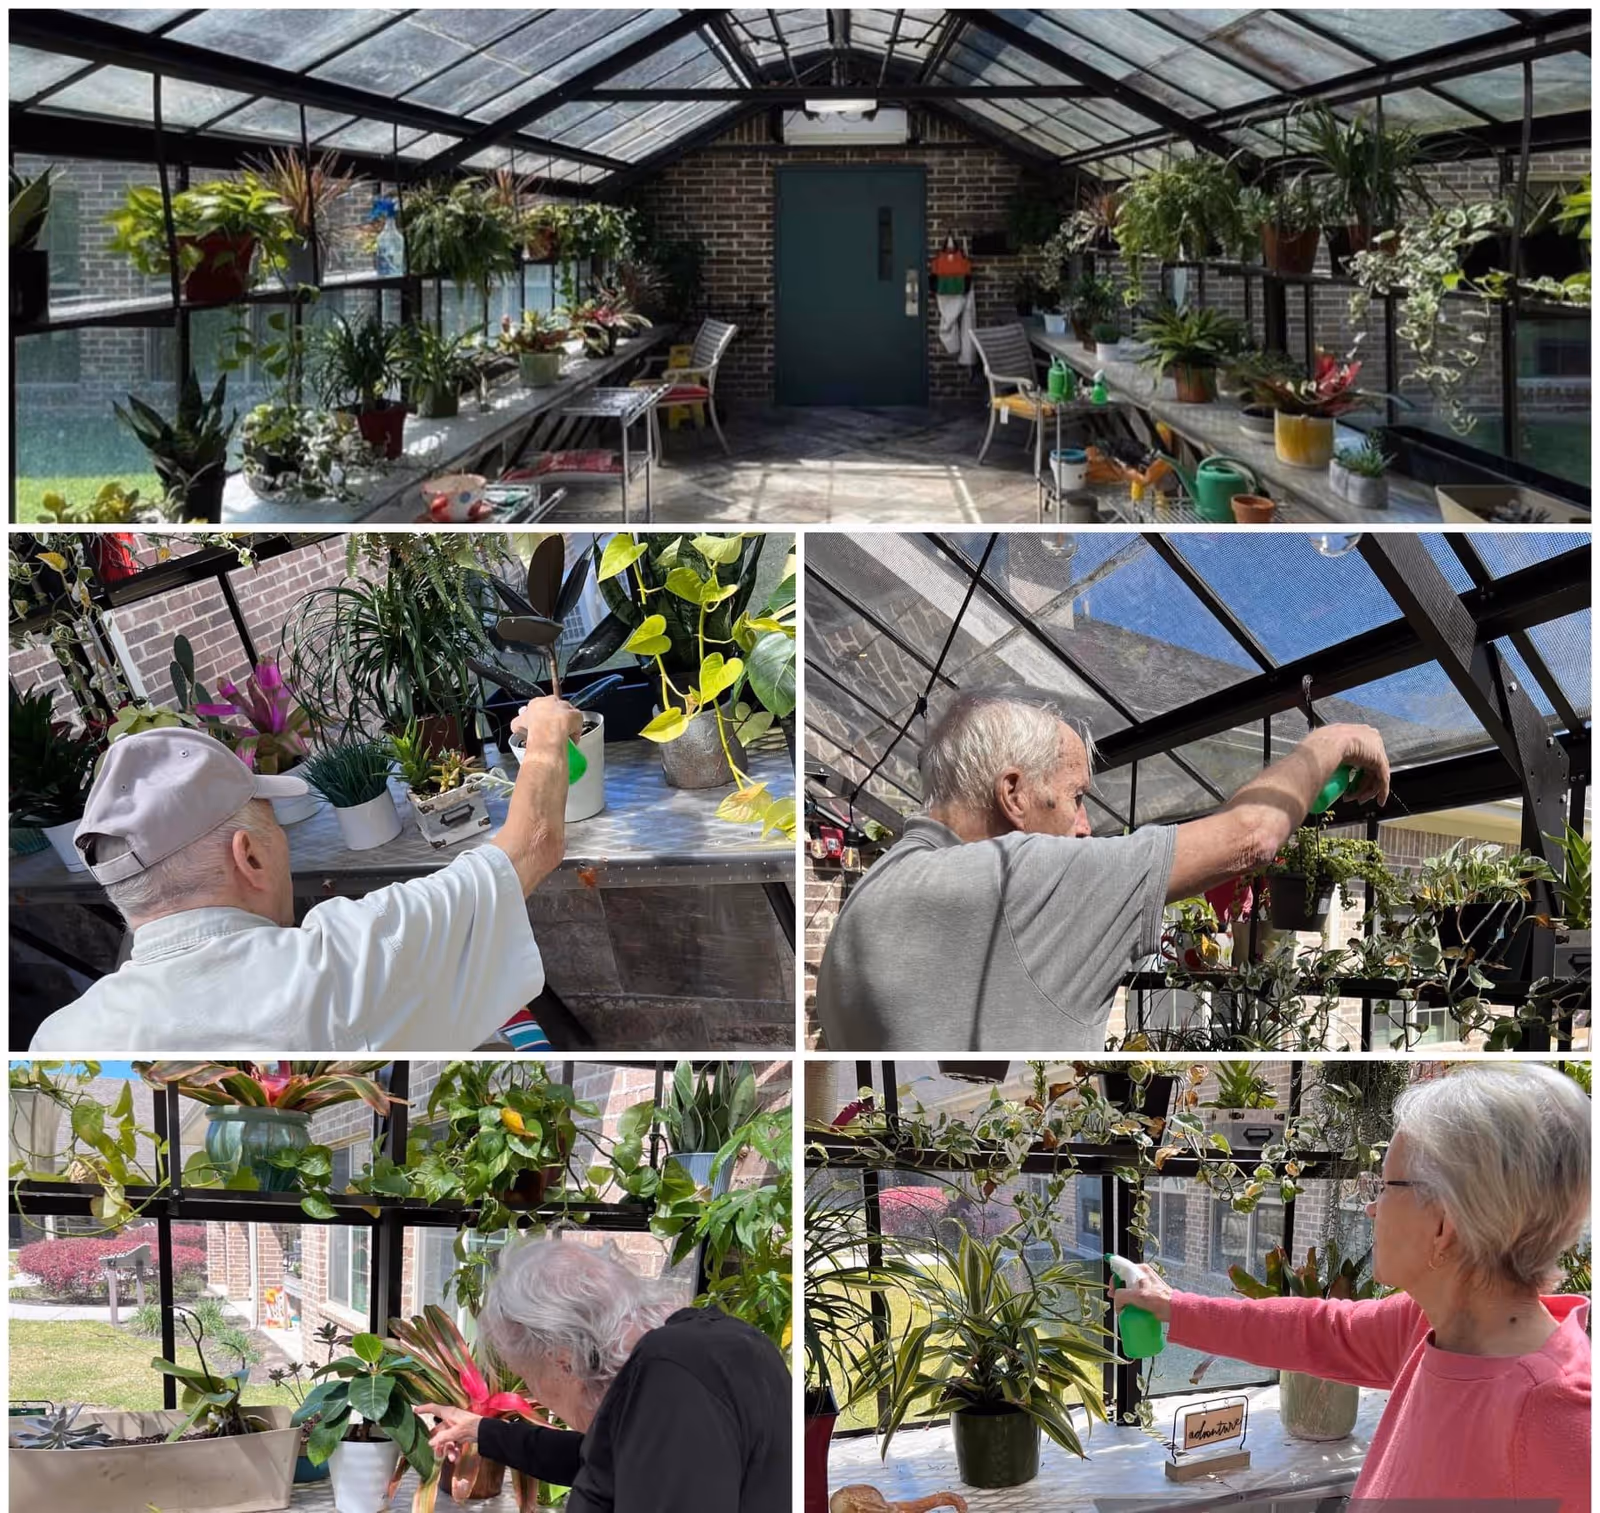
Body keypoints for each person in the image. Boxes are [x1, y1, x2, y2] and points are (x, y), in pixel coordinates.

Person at [1113, 1063, 1590, 1513]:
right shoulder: (1430, 1326)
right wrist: (1172, 1308)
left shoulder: (1560, 1419)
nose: (1371, 1209)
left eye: (1385, 1186)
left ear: (1444, 1222)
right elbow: (1313, 1331)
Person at [815, 689, 1391, 1050]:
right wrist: (1334, 741)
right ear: (1013, 793)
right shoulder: (1020, 876)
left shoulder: (865, 902)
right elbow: (1254, 836)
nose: (1087, 825)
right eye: (1075, 797)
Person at [28, 696, 583, 1052]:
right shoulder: (345, 960)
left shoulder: (60, 1039)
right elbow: (535, 844)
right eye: (275, 830)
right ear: (248, 856)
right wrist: (548, 731)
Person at [419, 1238, 790, 1513]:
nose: (536, 1394)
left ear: (562, 1360)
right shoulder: (711, 1348)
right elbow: (603, 1457)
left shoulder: (671, 1378)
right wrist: (480, 1431)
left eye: (528, 1377)